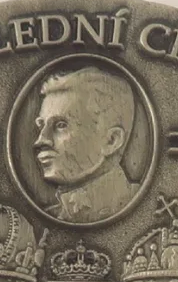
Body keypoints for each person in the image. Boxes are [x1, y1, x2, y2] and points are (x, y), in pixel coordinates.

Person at [33, 66, 139, 224]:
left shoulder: (144, 208)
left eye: (61, 125)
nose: (41, 140)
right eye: (41, 126)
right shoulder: (45, 221)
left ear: (111, 141)